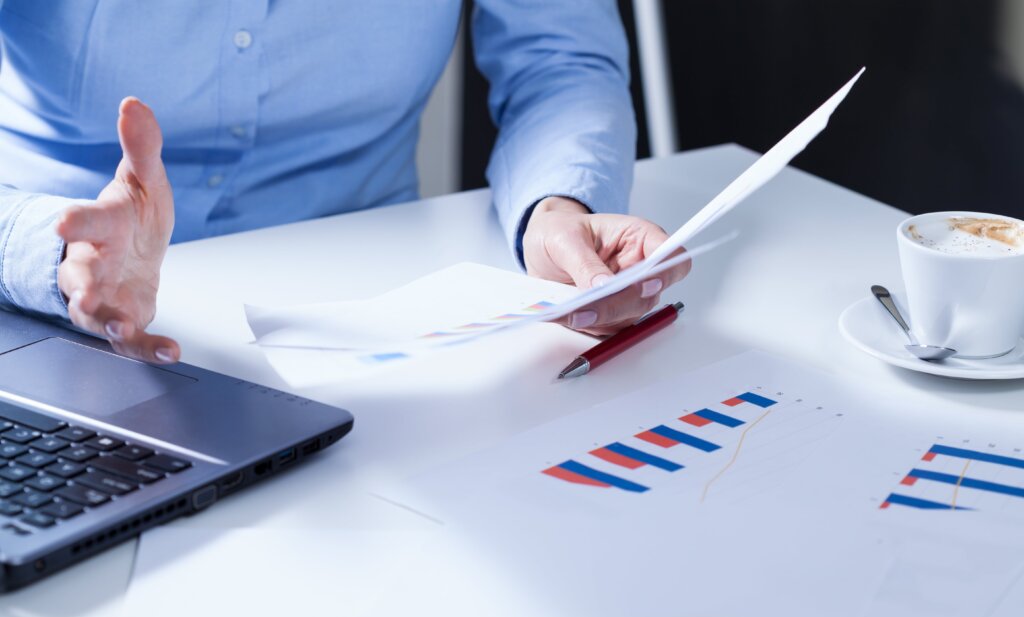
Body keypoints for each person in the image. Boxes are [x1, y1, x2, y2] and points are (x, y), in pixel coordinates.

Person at [0, 1, 689, 364]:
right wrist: (50, 253)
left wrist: (556, 207)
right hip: (44, 312)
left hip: (371, 311)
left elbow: (560, 58)